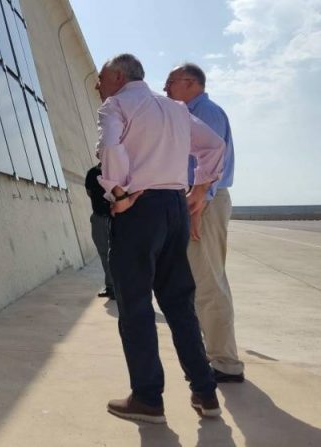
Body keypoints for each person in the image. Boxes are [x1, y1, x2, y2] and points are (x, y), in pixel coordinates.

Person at [95, 54, 225, 423]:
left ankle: (148, 397)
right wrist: (200, 185)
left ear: (118, 76)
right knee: (179, 303)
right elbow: (214, 145)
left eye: (100, 78)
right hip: (174, 206)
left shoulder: (115, 104)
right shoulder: (175, 109)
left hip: (138, 208)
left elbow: (110, 149)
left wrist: (117, 194)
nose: (98, 85)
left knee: (135, 307)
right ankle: (205, 392)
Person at [164, 63, 244, 383]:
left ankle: (225, 362)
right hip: (198, 202)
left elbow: (211, 163)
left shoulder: (205, 112)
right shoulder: (189, 113)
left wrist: (198, 206)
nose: (166, 88)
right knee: (199, 282)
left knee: (209, 283)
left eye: (171, 82)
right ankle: (211, 355)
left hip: (204, 204)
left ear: (191, 83)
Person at [85, 158, 115, 299]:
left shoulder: (116, 172)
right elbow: (89, 192)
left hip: (117, 217)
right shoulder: (92, 173)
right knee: (104, 253)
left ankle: (121, 286)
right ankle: (111, 287)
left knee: (119, 253)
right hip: (99, 217)